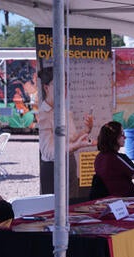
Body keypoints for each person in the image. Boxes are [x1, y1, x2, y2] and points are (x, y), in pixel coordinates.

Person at [37, 66, 94, 195]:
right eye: (59, 84)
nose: (64, 89)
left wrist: (86, 130)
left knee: (72, 206)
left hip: (70, 164)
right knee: (55, 212)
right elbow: (48, 151)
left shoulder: (66, 112)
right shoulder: (43, 115)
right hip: (53, 169)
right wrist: (74, 146)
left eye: (66, 84)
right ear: (46, 88)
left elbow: (72, 139)